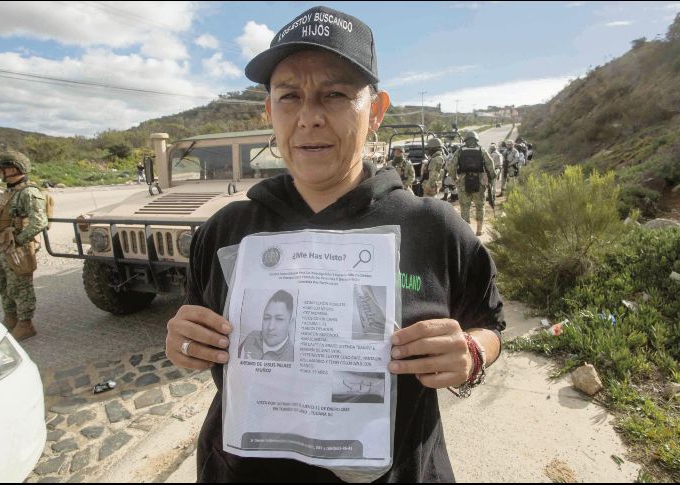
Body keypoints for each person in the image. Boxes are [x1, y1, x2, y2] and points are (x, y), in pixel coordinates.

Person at [165, 5, 505, 482]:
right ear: (270, 112)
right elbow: (197, 330)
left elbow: (490, 324)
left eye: (335, 94)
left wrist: (472, 352)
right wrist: (184, 342)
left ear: (376, 111)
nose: (309, 117)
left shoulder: (434, 227)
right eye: (289, 96)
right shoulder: (225, 231)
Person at [0, 150, 48, 340]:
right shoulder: (8, 192)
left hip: (16, 248)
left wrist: (19, 240)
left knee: (20, 286)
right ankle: (10, 318)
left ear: (15, 169)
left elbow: (39, 222)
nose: (0, 172)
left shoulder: (29, 192)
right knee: (3, 284)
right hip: (1, 245)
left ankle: (25, 324)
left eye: (3, 168)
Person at [448, 132, 497, 236]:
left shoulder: (460, 150)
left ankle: (466, 233)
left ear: (465, 140)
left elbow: (452, 166)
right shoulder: (482, 150)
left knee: (464, 206)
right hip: (479, 181)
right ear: (476, 140)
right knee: (480, 206)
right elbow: (490, 164)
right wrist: (491, 178)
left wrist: (455, 178)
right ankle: (479, 230)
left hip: (463, 180)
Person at [238, 290, 295, 362]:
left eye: (279, 319)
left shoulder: (292, 356)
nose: (270, 327)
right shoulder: (252, 337)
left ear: (290, 323)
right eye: (267, 318)